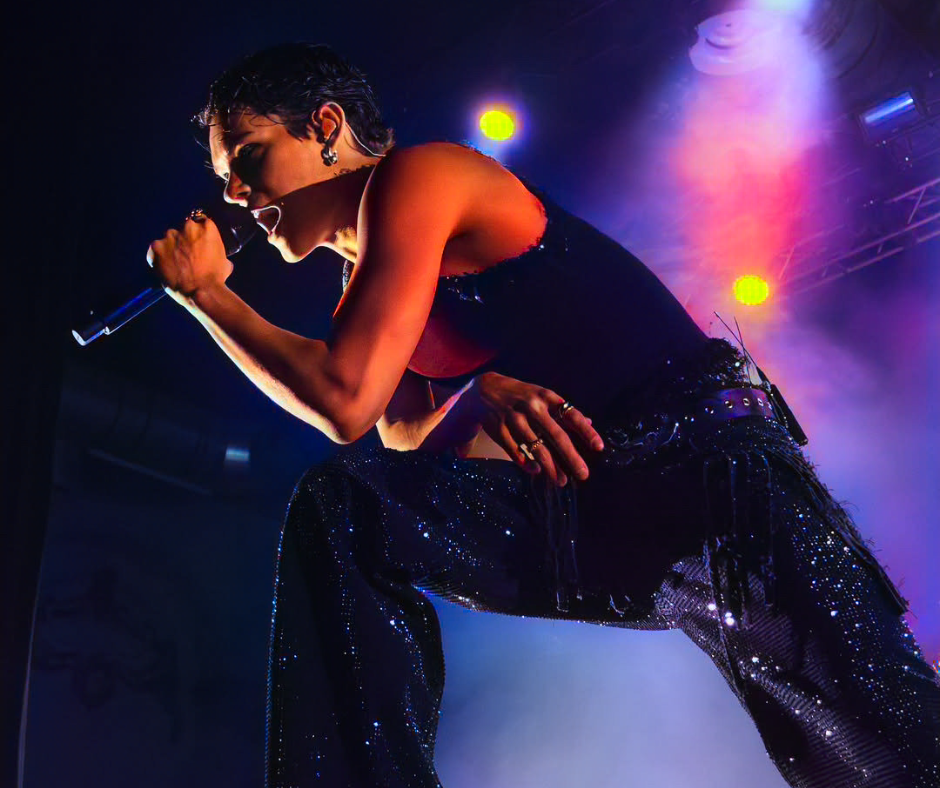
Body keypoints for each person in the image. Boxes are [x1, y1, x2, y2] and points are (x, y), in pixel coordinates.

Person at [147, 42, 940, 788]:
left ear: (325, 126)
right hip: (602, 509)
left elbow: (344, 400)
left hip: (721, 490)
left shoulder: (423, 176)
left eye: (248, 157)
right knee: (348, 508)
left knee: (891, 749)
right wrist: (472, 398)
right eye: (225, 176)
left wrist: (209, 295)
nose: (234, 195)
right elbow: (397, 449)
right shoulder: (360, 290)